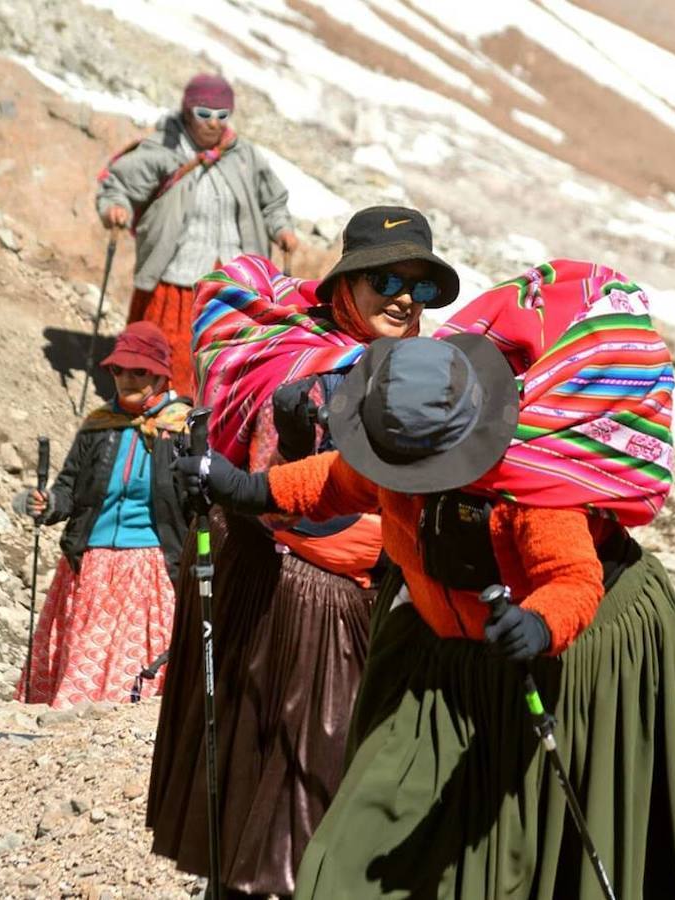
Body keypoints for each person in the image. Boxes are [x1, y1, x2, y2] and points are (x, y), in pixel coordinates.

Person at [176, 260, 675, 899]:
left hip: (532, 668)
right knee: (352, 853)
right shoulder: (394, 451)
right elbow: (334, 481)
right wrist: (245, 487)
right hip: (437, 666)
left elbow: (573, 580)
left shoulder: (531, 494)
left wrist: (539, 623)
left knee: (515, 857)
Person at [146, 207, 460, 898]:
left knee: (281, 781)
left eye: (424, 288)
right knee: (296, 786)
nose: (407, 300)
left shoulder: (402, 372)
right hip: (306, 599)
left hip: (322, 591)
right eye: (387, 279)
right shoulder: (317, 363)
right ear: (347, 284)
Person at [14, 322, 191, 708]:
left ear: (161, 373)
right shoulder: (99, 425)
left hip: (149, 572)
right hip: (88, 570)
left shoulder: (183, 430)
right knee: (80, 678)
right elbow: (70, 489)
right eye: (118, 370)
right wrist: (50, 504)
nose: (126, 379)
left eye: (138, 371)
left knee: (124, 686)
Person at [96, 73, 299, 397]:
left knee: (233, 353)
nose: (213, 124)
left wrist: (282, 228)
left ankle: (225, 417)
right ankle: (165, 417)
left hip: (236, 280)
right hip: (177, 275)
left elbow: (272, 200)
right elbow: (116, 185)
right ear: (189, 112)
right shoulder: (162, 150)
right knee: (173, 351)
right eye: (204, 115)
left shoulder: (245, 156)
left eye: (222, 116)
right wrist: (115, 210)